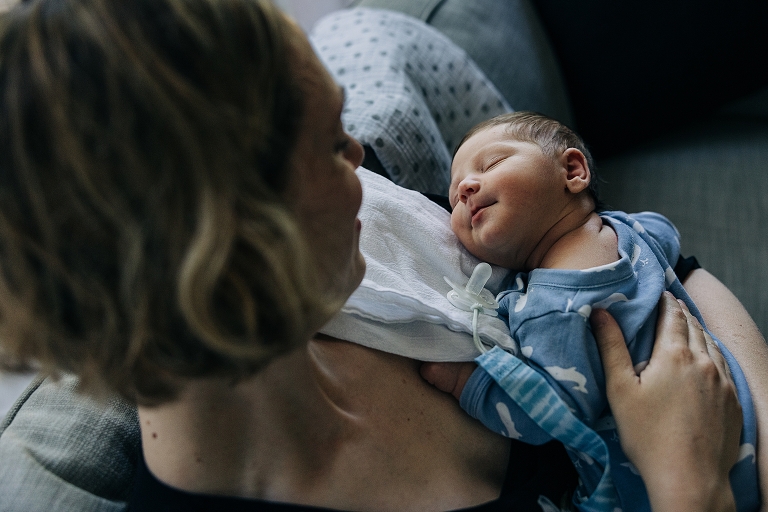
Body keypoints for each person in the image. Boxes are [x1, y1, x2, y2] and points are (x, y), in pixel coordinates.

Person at [0, 1, 759, 511]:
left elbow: (659, 269)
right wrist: (689, 483)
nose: (362, 155)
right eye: (332, 147)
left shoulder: (371, 270)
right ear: (237, 242)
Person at [422, 111, 757, 510]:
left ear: (574, 170)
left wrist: (469, 384)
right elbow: (667, 237)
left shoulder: (551, 309)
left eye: (491, 164)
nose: (465, 190)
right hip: (740, 427)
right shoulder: (630, 228)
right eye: (455, 191)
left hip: (658, 483)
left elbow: (550, 410)